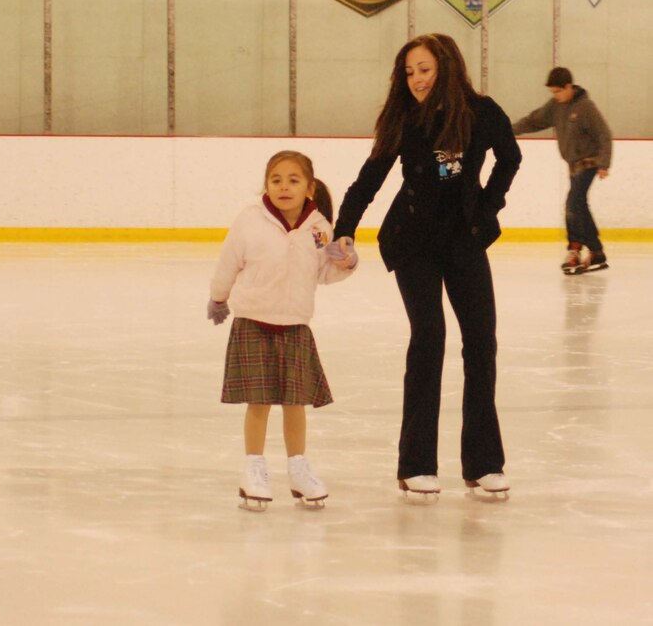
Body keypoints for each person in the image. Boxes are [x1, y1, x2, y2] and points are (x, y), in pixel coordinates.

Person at [328, 33, 521, 500]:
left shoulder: (481, 111)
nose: (415, 79)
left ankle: (483, 463)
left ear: (447, 68)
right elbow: (370, 176)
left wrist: (487, 208)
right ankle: (415, 464)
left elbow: (510, 157)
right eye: (409, 71)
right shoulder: (405, 118)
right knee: (429, 335)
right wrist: (344, 227)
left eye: (424, 69)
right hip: (412, 239)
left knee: (480, 341)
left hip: (463, 240)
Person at [207, 150, 357, 510]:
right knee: (258, 402)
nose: (283, 187)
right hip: (253, 321)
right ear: (266, 186)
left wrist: (347, 262)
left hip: (295, 324)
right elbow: (229, 261)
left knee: (295, 403)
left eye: (293, 180)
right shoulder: (249, 220)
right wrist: (218, 297)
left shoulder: (320, 228)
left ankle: (298, 468)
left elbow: (324, 273)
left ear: (309, 188)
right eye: (276, 180)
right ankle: (253, 468)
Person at [512, 66, 612, 274]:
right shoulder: (556, 106)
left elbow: (604, 134)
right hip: (573, 166)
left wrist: (604, 163)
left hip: (590, 162)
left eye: (558, 91)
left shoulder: (586, 107)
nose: (555, 96)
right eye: (552, 92)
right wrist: (509, 130)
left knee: (573, 204)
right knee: (579, 205)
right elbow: (534, 120)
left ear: (569, 87)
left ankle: (575, 248)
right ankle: (596, 251)